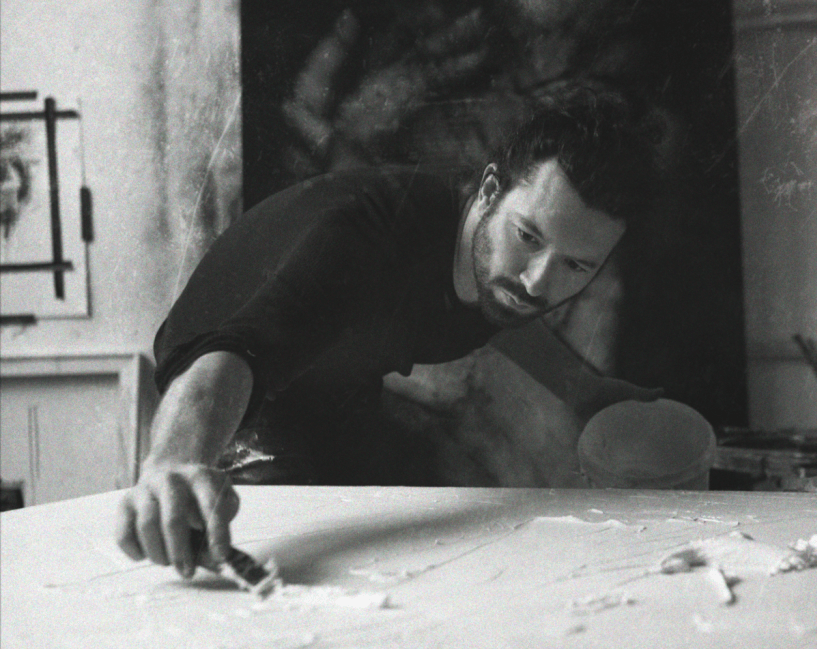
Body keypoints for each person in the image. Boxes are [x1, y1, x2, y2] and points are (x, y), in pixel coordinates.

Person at [114, 83, 659, 579]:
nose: (538, 282)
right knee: (274, 577)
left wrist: (583, 387)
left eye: (575, 266)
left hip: (339, 379)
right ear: (489, 191)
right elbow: (237, 352)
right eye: (529, 237)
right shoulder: (363, 241)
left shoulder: (497, 269)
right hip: (226, 385)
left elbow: (505, 315)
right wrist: (174, 462)